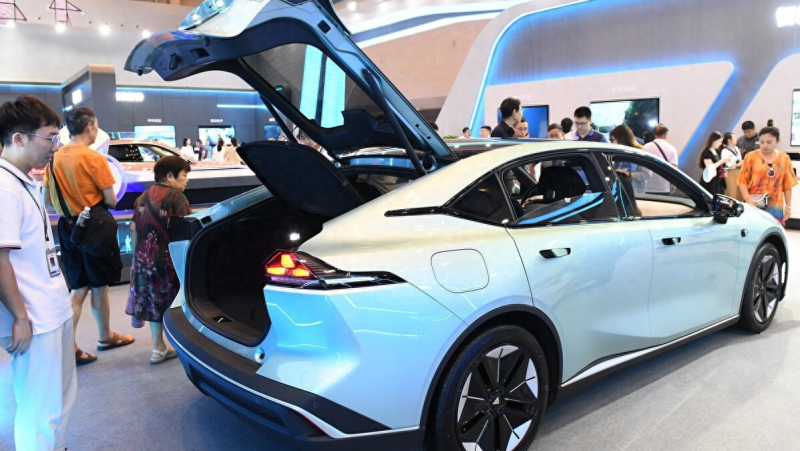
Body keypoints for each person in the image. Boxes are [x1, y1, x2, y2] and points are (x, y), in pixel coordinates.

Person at [0, 95, 77, 450]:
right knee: (39, 411)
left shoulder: (23, 181)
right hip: (33, 318)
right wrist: (19, 317)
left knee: (60, 401)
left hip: (51, 310)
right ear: (19, 138)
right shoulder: (3, 188)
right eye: (50, 137)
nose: (55, 147)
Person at [42, 107, 133, 365]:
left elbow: (46, 199)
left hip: (68, 228)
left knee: (78, 287)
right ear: (90, 126)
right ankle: (105, 336)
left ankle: (68, 347)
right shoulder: (94, 158)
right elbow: (111, 200)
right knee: (99, 286)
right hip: (94, 227)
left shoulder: (53, 160)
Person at [126, 156, 191, 364]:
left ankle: (158, 348)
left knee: (154, 303)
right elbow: (185, 232)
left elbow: (134, 228)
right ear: (170, 176)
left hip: (144, 260)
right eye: (184, 175)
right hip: (169, 261)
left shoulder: (142, 197)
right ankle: (186, 346)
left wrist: (137, 258)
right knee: (178, 303)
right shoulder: (177, 198)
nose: (187, 180)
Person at [738, 127, 798, 225]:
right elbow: (742, 181)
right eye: (762, 142)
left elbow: (787, 185)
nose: (765, 145)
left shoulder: (784, 158)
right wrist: (748, 199)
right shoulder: (751, 157)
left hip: (775, 206)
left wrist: (788, 206)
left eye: (769, 142)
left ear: (777, 141)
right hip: (753, 203)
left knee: (773, 231)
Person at [610, 125, 651, 194]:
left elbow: (646, 174)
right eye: (612, 140)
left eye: (614, 140)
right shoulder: (614, 153)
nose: (613, 143)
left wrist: (628, 174)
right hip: (618, 191)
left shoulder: (639, 152)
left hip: (635, 192)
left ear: (623, 139)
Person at [642, 124, 679, 194]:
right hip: (663, 186)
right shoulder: (671, 148)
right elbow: (674, 167)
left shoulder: (646, 147)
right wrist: (674, 183)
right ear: (666, 134)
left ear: (655, 134)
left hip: (647, 185)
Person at [697, 131, 730, 196]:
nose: (720, 143)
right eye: (719, 141)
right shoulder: (707, 152)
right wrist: (722, 161)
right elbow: (710, 167)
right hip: (710, 181)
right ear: (714, 140)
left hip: (718, 181)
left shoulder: (717, 151)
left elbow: (721, 165)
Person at [720, 132, 744, 201]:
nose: (736, 139)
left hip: (738, 172)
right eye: (734, 137)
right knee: (732, 192)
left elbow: (739, 159)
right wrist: (737, 165)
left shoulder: (736, 148)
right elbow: (726, 164)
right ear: (729, 140)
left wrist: (741, 162)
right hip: (730, 173)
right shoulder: (725, 151)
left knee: (739, 191)